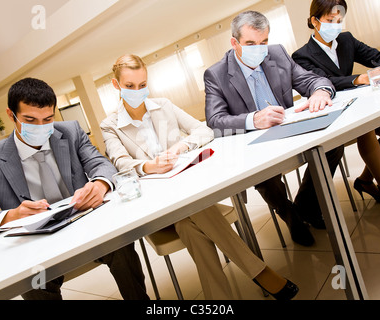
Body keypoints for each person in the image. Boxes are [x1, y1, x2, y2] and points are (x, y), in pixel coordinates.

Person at [100, 54, 299, 300]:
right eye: (129, 86)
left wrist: (180, 148)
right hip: (158, 204)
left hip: (186, 192)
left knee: (188, 225)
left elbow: (204, 130)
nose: (137, 91)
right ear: (116, 85)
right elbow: (120, 163)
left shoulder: (164, 105)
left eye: (142, 85)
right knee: (193, 212)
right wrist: (149, 166)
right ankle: (259, 271)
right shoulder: (110, 125)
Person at [0, 78, 149, 300]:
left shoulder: (70, 131)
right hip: (36, 247)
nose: (41, 127)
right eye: (30, 120)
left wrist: (100, 185)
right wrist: (13, 215)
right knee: (33, 282)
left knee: (121, 246)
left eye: (48, 119)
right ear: (11, 114)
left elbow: (102, 164)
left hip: (86, 226)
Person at [204, 11, 344, 247]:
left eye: (263, 42)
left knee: (332, 144)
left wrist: (321, 91)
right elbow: (215, 120)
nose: (259, 49)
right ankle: (290, 216)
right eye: (250, 43)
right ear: (234, 42)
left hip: (289, 131)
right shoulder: (216, 74)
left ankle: (306, 206)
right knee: (265, 178)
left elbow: (310, 80)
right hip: (253, 144)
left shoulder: (277, 53)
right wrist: (252, 120)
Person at [291, 0, 380, 219]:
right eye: (330, 21)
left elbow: (378, 56)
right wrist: (358, 79)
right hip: (333, 113)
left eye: (339, 20)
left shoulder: (346, 40)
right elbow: (326, 81)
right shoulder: (302, 55)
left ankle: (364, 180)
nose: (336, 25)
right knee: (366, 129)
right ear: (315, 21)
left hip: (358, 107)